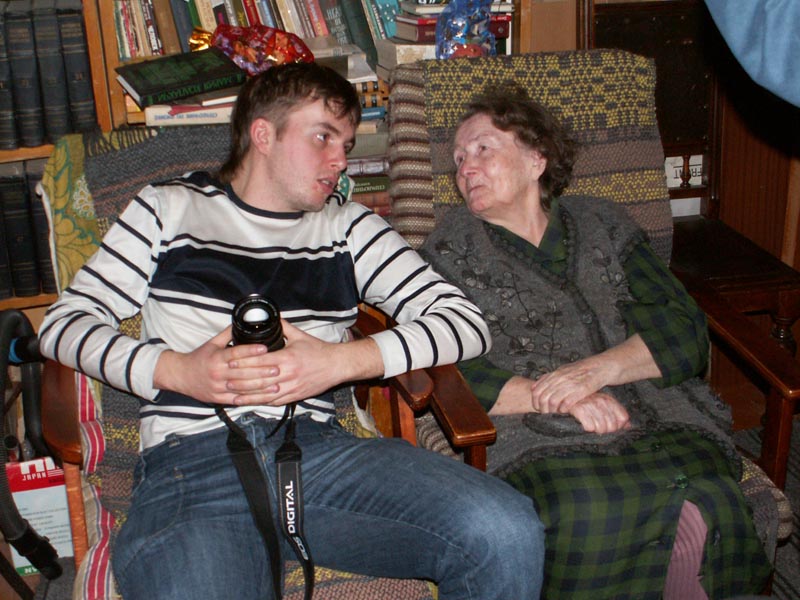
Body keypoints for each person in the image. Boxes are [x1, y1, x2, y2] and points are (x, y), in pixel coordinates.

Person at [37, 63, 545, 600]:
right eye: (323, 137)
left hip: (319, 458)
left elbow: (464, 322)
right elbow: (63, 325)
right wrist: (175, 370)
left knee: (505, 531)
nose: (340, 160)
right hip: (194, 468)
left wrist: (339, 362)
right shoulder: (169, 207)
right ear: (263, 134)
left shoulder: (348, 226)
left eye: (346, 144)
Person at [420, 84, 772, 600]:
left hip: (659, 413)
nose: (465, 168)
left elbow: (682, 326)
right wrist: (557, 395)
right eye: (457, 159)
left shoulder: (603, 221)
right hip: (534, 431)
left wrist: (597, 372)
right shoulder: (446, 249)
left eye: (482, 149)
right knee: (586, 507)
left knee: (707, 493)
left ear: (536, 158)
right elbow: (443, 361)